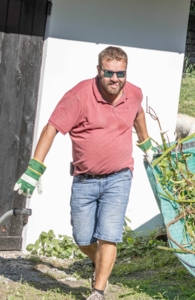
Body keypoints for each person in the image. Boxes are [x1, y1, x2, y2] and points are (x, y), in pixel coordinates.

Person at [13, 46, 153, 300]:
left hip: (119, 176)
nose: (115, 79)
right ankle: (100, 264)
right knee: (83, 238)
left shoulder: (133, 93)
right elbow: (51, 128)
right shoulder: (79, 95)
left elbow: (138, 113)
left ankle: (98, 291)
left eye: (120, 73)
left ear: (126, 72)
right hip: (85, 179)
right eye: (109, 73)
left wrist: (146, 144)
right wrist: (34, 169)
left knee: (108, 236)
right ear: (99, 70)